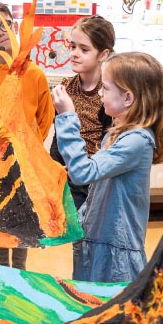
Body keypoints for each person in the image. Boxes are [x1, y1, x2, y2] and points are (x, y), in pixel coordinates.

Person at [52, 52, 163, 283]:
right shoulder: (118, 134)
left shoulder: (136, 141)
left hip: (115, 247)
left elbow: (82, 173)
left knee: (115, 310)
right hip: (97, 238)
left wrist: (68, 117)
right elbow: (97, 186)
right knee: (92, 303)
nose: (100, 93)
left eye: (105, 89)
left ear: (128, 98)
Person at [0, 1, 54, 298]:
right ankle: (2, 274)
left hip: (24, 160)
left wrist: (28, 150)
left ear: (15, 27)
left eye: (3, 25)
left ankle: (19, 275)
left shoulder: (35, 74)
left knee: (21, 220)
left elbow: (45, 117)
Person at [49, 15, 115, 210]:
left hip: (98, 177)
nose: (75, 54)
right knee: (76, 231)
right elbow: (59, 135)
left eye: (84, 49)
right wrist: (54, 168)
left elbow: (111, 141)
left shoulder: (111, 91)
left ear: (103, 54)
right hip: (70, 178)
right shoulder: (65, 88)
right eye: (72, 47)